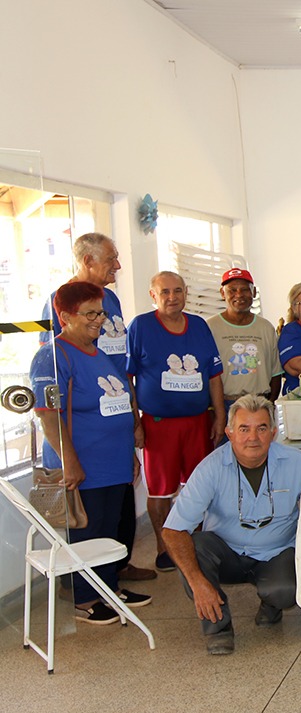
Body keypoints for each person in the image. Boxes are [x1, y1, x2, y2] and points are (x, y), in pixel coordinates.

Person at [161, 395, 301, 654]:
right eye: (244, 429)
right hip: (227, 553)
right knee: (195, 548)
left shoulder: (296, 461)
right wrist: (198, 583)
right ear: (230, 433)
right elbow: (172, 530)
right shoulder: (210, 469)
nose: (252, 437)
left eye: (261, 428)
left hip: (276, 552)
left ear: (274, 433)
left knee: (285, 591)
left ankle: (271, 604)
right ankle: (218, 627)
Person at [30, 282, 150, 624]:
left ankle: (108, 587)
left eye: (102, 312)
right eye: (91, 313)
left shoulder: (98, 354)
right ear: (65, 317)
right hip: (83, 465)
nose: (100, 320)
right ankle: (85, 598)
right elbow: (47, 414)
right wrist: (70, 461)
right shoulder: (53, 357)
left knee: (109, 530)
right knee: (88, 531)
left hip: (112, 463)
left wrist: (128, 454)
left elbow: (116, 405)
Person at [125, 271, 225, 573]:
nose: (172, 297)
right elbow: (127, 378)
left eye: (178, 291)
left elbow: (214, 374)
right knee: (160, 490)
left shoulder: (198, 325)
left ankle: (194, 543)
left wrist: (219, 414)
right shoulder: (141, 326)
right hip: (158, 423)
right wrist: (135, 423)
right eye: (165, 292)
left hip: (196, 421)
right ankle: (164, 546)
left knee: (197, 486)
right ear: (153, 295)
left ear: (186, 293)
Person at [206, 267, 282, 424]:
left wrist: (270, 403)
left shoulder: (266, 327)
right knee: (223, 449)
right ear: (222, 293)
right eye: (232, 290)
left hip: (259, 404)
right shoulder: (209, 327)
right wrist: (213, 409)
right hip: (223, 406)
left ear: (253, 293)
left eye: (245, 290)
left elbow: (275, 373)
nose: (239, 295)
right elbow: (205, 373)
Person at [40, 233, 129, 356]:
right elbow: (49, 356)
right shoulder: (59, 300)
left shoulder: (110, 297)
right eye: (110, 259)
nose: (118, 265)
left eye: (116, 258)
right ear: (88, 262)